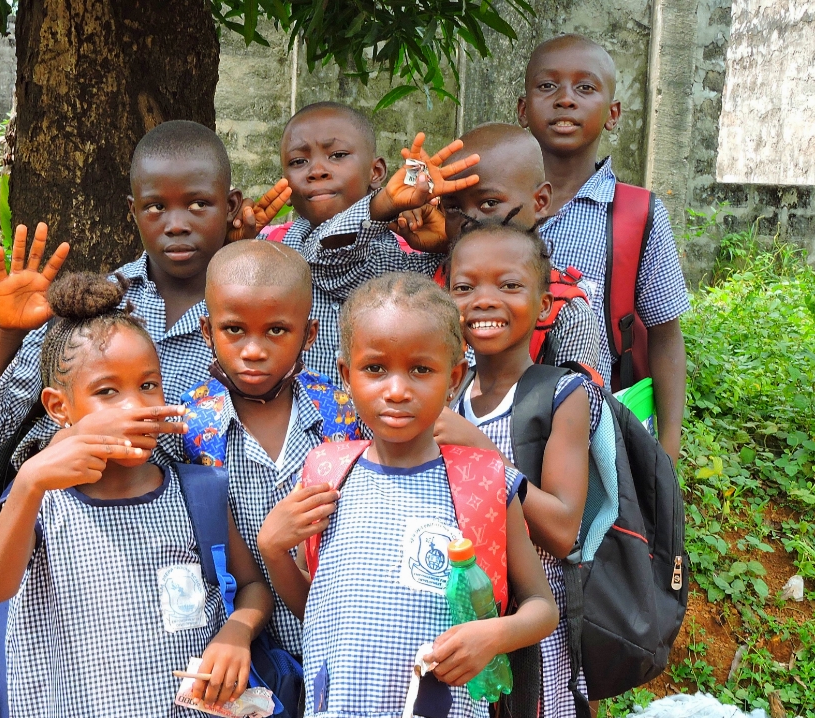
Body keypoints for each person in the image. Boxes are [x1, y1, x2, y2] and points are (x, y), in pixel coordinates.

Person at [257, 272, 559, 718]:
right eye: (375, 369)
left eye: (420, 370)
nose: (396, 390)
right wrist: (273, 551)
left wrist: (493, 636)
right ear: (346, 375)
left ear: (454, 376)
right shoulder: (327, 473)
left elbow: (543, 608)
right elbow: (314, 610)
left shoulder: (484, 481)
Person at [0, 271, 273, 718]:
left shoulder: (194, 492)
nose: (136, 406)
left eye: (149, 384)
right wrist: (31, 479)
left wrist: (236, 632)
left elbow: (254, 587)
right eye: (107, 392)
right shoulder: (41, 500)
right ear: (59, 407)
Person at [0, 120, 290, 467]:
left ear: (231, 206)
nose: (176, 225)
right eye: (156, 207)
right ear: (133, 211)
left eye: (198, 204)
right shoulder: (93, 304)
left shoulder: (260, 309)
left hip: (205, 518)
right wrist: (6, 333)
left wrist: (244, 261)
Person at [434, 221, 602, 718]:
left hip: (535, 627)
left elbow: (562, 529)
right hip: (465, 617)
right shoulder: (445, 393)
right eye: (465, 288)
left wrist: (482, 451)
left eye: (508, 286)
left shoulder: (561, 393)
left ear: (545, 302)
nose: (485, 301)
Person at [169, 239, 360, 659]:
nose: (253, 351)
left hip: (343, 640)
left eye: (276, 330)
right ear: (208, 331)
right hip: (241, 649)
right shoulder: (189, 427)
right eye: (234, 330)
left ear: (309, 334)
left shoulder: (343, 415)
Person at [518, 34, 689, 462]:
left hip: (600, 430)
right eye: (547, 86)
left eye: (585, 88)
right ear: (523, 109)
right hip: (496, 418)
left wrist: (667, 448)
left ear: (612, 114)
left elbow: (666, 336)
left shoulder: (638, 213)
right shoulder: (491, 204)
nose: (565, 100)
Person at [274, 101, 481, 386]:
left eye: (337, 155)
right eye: (299, 161)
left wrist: (446, 248)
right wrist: (384, 203)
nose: (316, 171)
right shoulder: (273, 252)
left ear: (376, 172)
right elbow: (323, 257)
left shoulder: (397, 255)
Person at [392, 122, 601, 375]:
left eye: (489, 203)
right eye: (454, 207)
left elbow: (579, 407)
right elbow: (336, 269)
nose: (469, 221)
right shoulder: (425, 276)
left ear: (541, 201)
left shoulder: (565, 311)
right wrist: (387, 204)